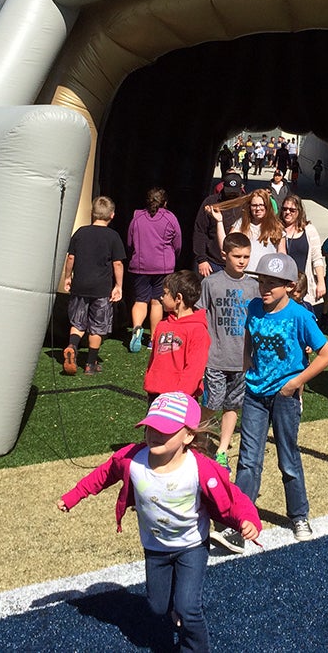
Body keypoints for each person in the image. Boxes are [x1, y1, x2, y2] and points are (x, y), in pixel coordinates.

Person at [58, 392, 261, 652]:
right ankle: (176, 603)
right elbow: (103, 474)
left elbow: (233, 498)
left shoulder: (200, 469)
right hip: (155, 549)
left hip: (192, 546)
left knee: (189, 609)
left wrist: (248, 519)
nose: (154, 434)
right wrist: (74, 495)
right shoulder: (132, 460)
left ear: (188, 436)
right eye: (151, 427)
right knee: (156, 607)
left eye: (165, 430)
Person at [219, 253, 328, 551]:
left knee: (288, 459)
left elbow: (326, 354)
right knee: (248, 459)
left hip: (284, 397)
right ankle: (240, 522)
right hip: (256, 394)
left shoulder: (300, 316)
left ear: (290, 286)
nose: (265, 288)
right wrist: (246, 369)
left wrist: (295, 383)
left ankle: (299, 516)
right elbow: (248, 340)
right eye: (262, 282)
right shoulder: (254, 307)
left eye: (273, 283)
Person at [197, 232, 259, 471]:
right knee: (212, 402)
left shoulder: (254, 286)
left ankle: (222, 449)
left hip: (242, 359)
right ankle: (199, 439)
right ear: (225, 255)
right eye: (237, 256)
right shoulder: (211, 283)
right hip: (215, 357)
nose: (242, 261)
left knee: (232, 405)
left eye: (246, 256)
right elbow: (200, 316)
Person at [61, 196, 125, 375]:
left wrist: (68, 277)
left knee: (78, 322)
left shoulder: (80, 232)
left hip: (80, 285)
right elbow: (117, 264)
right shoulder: (113, 236)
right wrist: (118, 286)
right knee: (98, 326)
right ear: (112, 215)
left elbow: (71, 257)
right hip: (101, 289)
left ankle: (72, 346)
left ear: (92, 213)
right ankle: (90, 364)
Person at [127, 187, 183, 354]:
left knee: (140, 300)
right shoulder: (170, 218)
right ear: (165, 202)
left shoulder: (136, 218)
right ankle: (153, 339)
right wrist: (173, 256)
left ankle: (137, 328)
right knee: (157, 302)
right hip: (162, 266)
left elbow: (130, 242)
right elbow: (178, 243)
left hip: (140, 266)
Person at [144, 270, 210, 401]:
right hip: (156, 394)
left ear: (178, 298)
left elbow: (195, 368)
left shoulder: (198, 330)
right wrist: (150, 380)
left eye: (165, 293)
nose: (161, 297)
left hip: (181, 398)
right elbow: (154, 359)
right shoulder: (162, 324)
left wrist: (180, 395)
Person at [206, 188, 285, 266]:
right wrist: (219, 221)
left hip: (267, 277)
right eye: (254, 205)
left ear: (267, 206)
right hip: (245, 276)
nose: (257, 208)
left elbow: (282, 256)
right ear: (249, 207)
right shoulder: (241, 224)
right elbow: (225, 246)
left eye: (261, 205)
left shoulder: (277, 226)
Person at [192, 172, 245, 277]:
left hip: (238, 263)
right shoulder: (211, 202)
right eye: (229, 192)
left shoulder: (246, 203)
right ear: (223, 187)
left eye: (235, 192)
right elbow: (200, 231)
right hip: (212, 261)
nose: (232, 195)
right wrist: (201, 259)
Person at [279, 194, 326, 313]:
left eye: (292, 210)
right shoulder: (276, 229)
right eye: (284, 209)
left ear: (299, 211)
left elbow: (317, 258)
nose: (287, 212)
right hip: (282, 286)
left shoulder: (309, 229)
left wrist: (321, 282)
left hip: (304, 287)